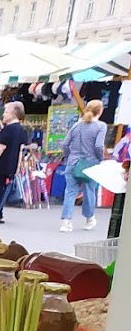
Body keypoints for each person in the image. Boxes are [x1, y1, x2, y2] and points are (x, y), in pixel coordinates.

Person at [59, 98, 109, 232]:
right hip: (90, 164)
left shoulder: (77, 125)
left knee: (70, 192)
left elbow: (64, 144)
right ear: (101, 111)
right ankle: (89, 219)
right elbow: (99, 145)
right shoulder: (101, 126)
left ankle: (66, 221)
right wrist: (100, 158)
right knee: (89, 191)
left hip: (73, 162)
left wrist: (69, 155)